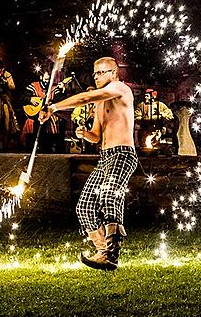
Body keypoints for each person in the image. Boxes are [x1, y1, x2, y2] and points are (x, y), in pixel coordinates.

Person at [39, 57, 137, 270]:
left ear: (113, 73)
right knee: (84, 206)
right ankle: (102, 252)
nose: (97, 76)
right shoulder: (101, 104)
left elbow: (86, 98)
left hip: (123, 154)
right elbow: (96, 136)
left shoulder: (120, 88)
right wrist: (85, 134)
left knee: (109, 194)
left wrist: (54, 107)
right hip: (105, 156)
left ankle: (112, 253)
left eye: (101, 72)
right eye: (95, 73)